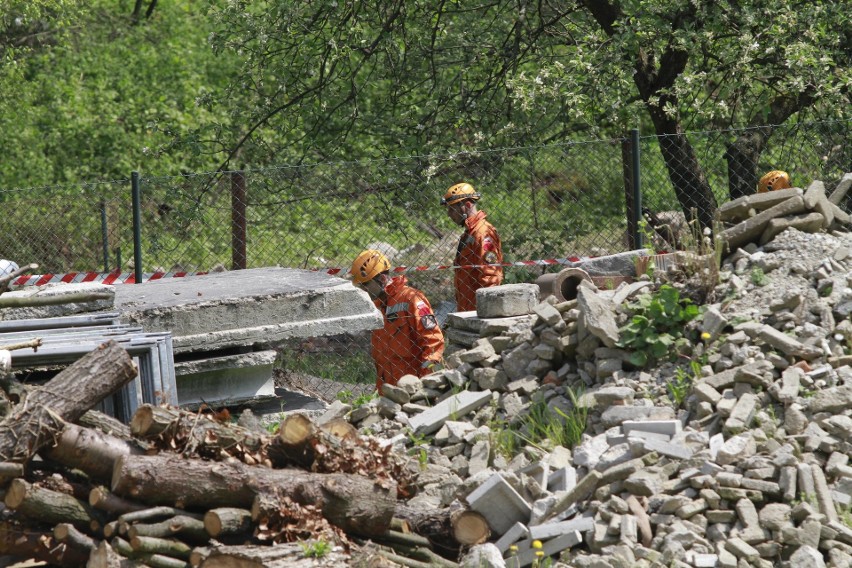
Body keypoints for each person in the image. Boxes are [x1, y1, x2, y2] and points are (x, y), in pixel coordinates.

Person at [350, 249, 444, 394]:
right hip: (388, 388)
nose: (363, 290)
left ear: (381, 279)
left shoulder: (411, 299)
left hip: (413, 385)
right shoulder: (377, 306)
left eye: (365, 285)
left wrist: (425, 383)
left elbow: (433, 341)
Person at [441, 182, 504, 312]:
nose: (449, 214)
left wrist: (487, 312)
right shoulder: (469, 233)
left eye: (452, 209)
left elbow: (490, 276)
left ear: (467, 205)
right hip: (468, 308)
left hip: (479, 310)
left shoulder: (482, 233)